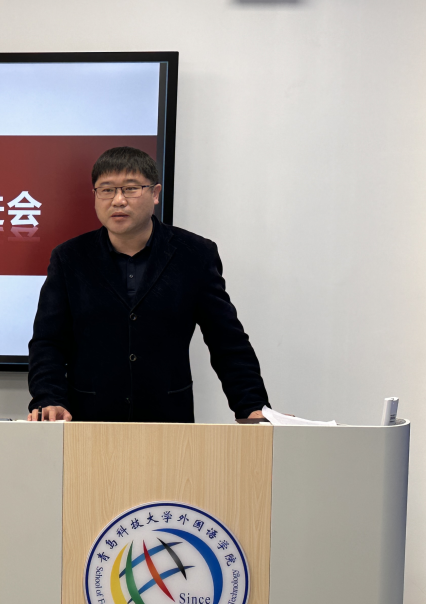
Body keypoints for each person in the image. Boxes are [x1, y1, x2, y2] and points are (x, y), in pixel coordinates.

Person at [27, 147, 269, 423]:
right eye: (106, 190)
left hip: (169, 423)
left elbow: (226, 339)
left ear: (155, 193)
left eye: (131, 189)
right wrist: (49, 398)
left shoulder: (195, 254)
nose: (118, 200)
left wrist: (252, 405)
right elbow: (48, 341)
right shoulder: (70, 257)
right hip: (88, 422)